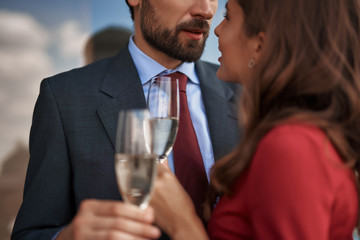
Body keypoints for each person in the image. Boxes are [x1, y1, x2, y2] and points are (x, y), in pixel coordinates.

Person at [83, 0, 360, 239]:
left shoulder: (290, 145)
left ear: (260, 45)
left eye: (227, 15)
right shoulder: (65, 97)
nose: (210, 18)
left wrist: (183, 226)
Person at [11, 0, 241, 239]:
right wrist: (67, 237)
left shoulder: (247, 92)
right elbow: (29, 232)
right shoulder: (63, 97)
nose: (206, 10)